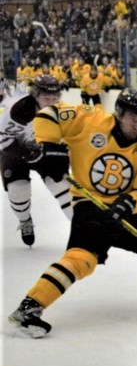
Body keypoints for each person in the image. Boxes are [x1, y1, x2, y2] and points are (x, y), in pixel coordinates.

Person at [8, 89, 137, 338]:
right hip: (89, 207)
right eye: (132, 116)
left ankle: (30, 306)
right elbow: (49, 114)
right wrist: (49, 146)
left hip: (121, 212)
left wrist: (130, 203)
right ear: (118, 112)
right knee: (80, 259)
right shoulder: (89, 119)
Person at [0, 74, 73, 246]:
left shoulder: (62, 112)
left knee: (62, 187)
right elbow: (3, 138)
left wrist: (63, 153)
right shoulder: (19, 110)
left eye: (55, 98)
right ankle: (25, 220)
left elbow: (69, 139)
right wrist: (25, 151)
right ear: (35, 95)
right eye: (46, 98)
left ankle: (81, 230)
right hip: (15, 153)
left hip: (45, 151)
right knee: (18, 190)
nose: (51, 103)